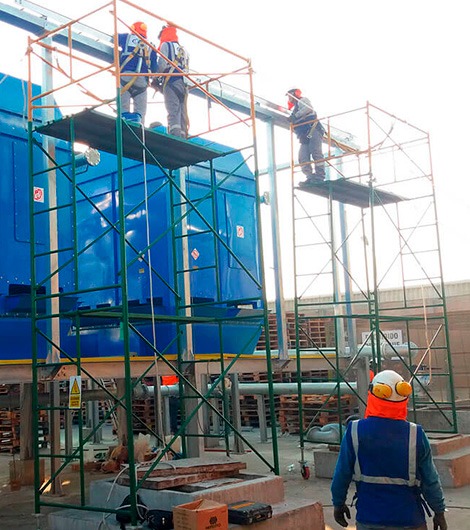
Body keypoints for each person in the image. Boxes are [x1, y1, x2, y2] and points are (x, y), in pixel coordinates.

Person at [331, 369, 448, 530]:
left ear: (373, 395)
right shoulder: (416, 434)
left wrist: (338, 503)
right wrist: (439, 511)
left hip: (369, 519)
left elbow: (341, 474)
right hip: (409, 520)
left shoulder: (354, 431)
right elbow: (431, 480)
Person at [118, 21, 157, 125]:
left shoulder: (126, 38)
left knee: (122, 110)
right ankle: (139, 131)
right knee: (140, 113)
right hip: (142, 81)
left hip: (126, 77)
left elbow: (114, 38)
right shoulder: (151, 45)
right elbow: (154, 68)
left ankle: (122, 127)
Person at [156, 25, 189, 138]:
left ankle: (175, 135)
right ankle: (183, 136)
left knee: (173, 111)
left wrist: (155, 78)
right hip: (184, 85)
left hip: (171, 82)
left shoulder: (166, 45)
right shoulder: (184, 50)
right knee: (182, 113)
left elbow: (161, 65)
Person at [287, 88, 326, 185]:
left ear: (294, 94)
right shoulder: (295, 109)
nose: (288, 98)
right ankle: (310, 177)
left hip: (313, 130)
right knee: (303, 156)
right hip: (304, 136)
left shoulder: (303, 101)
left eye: (289, 95)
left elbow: (308, 108)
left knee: (316, 152)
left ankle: (320, 176)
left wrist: (296, 116)